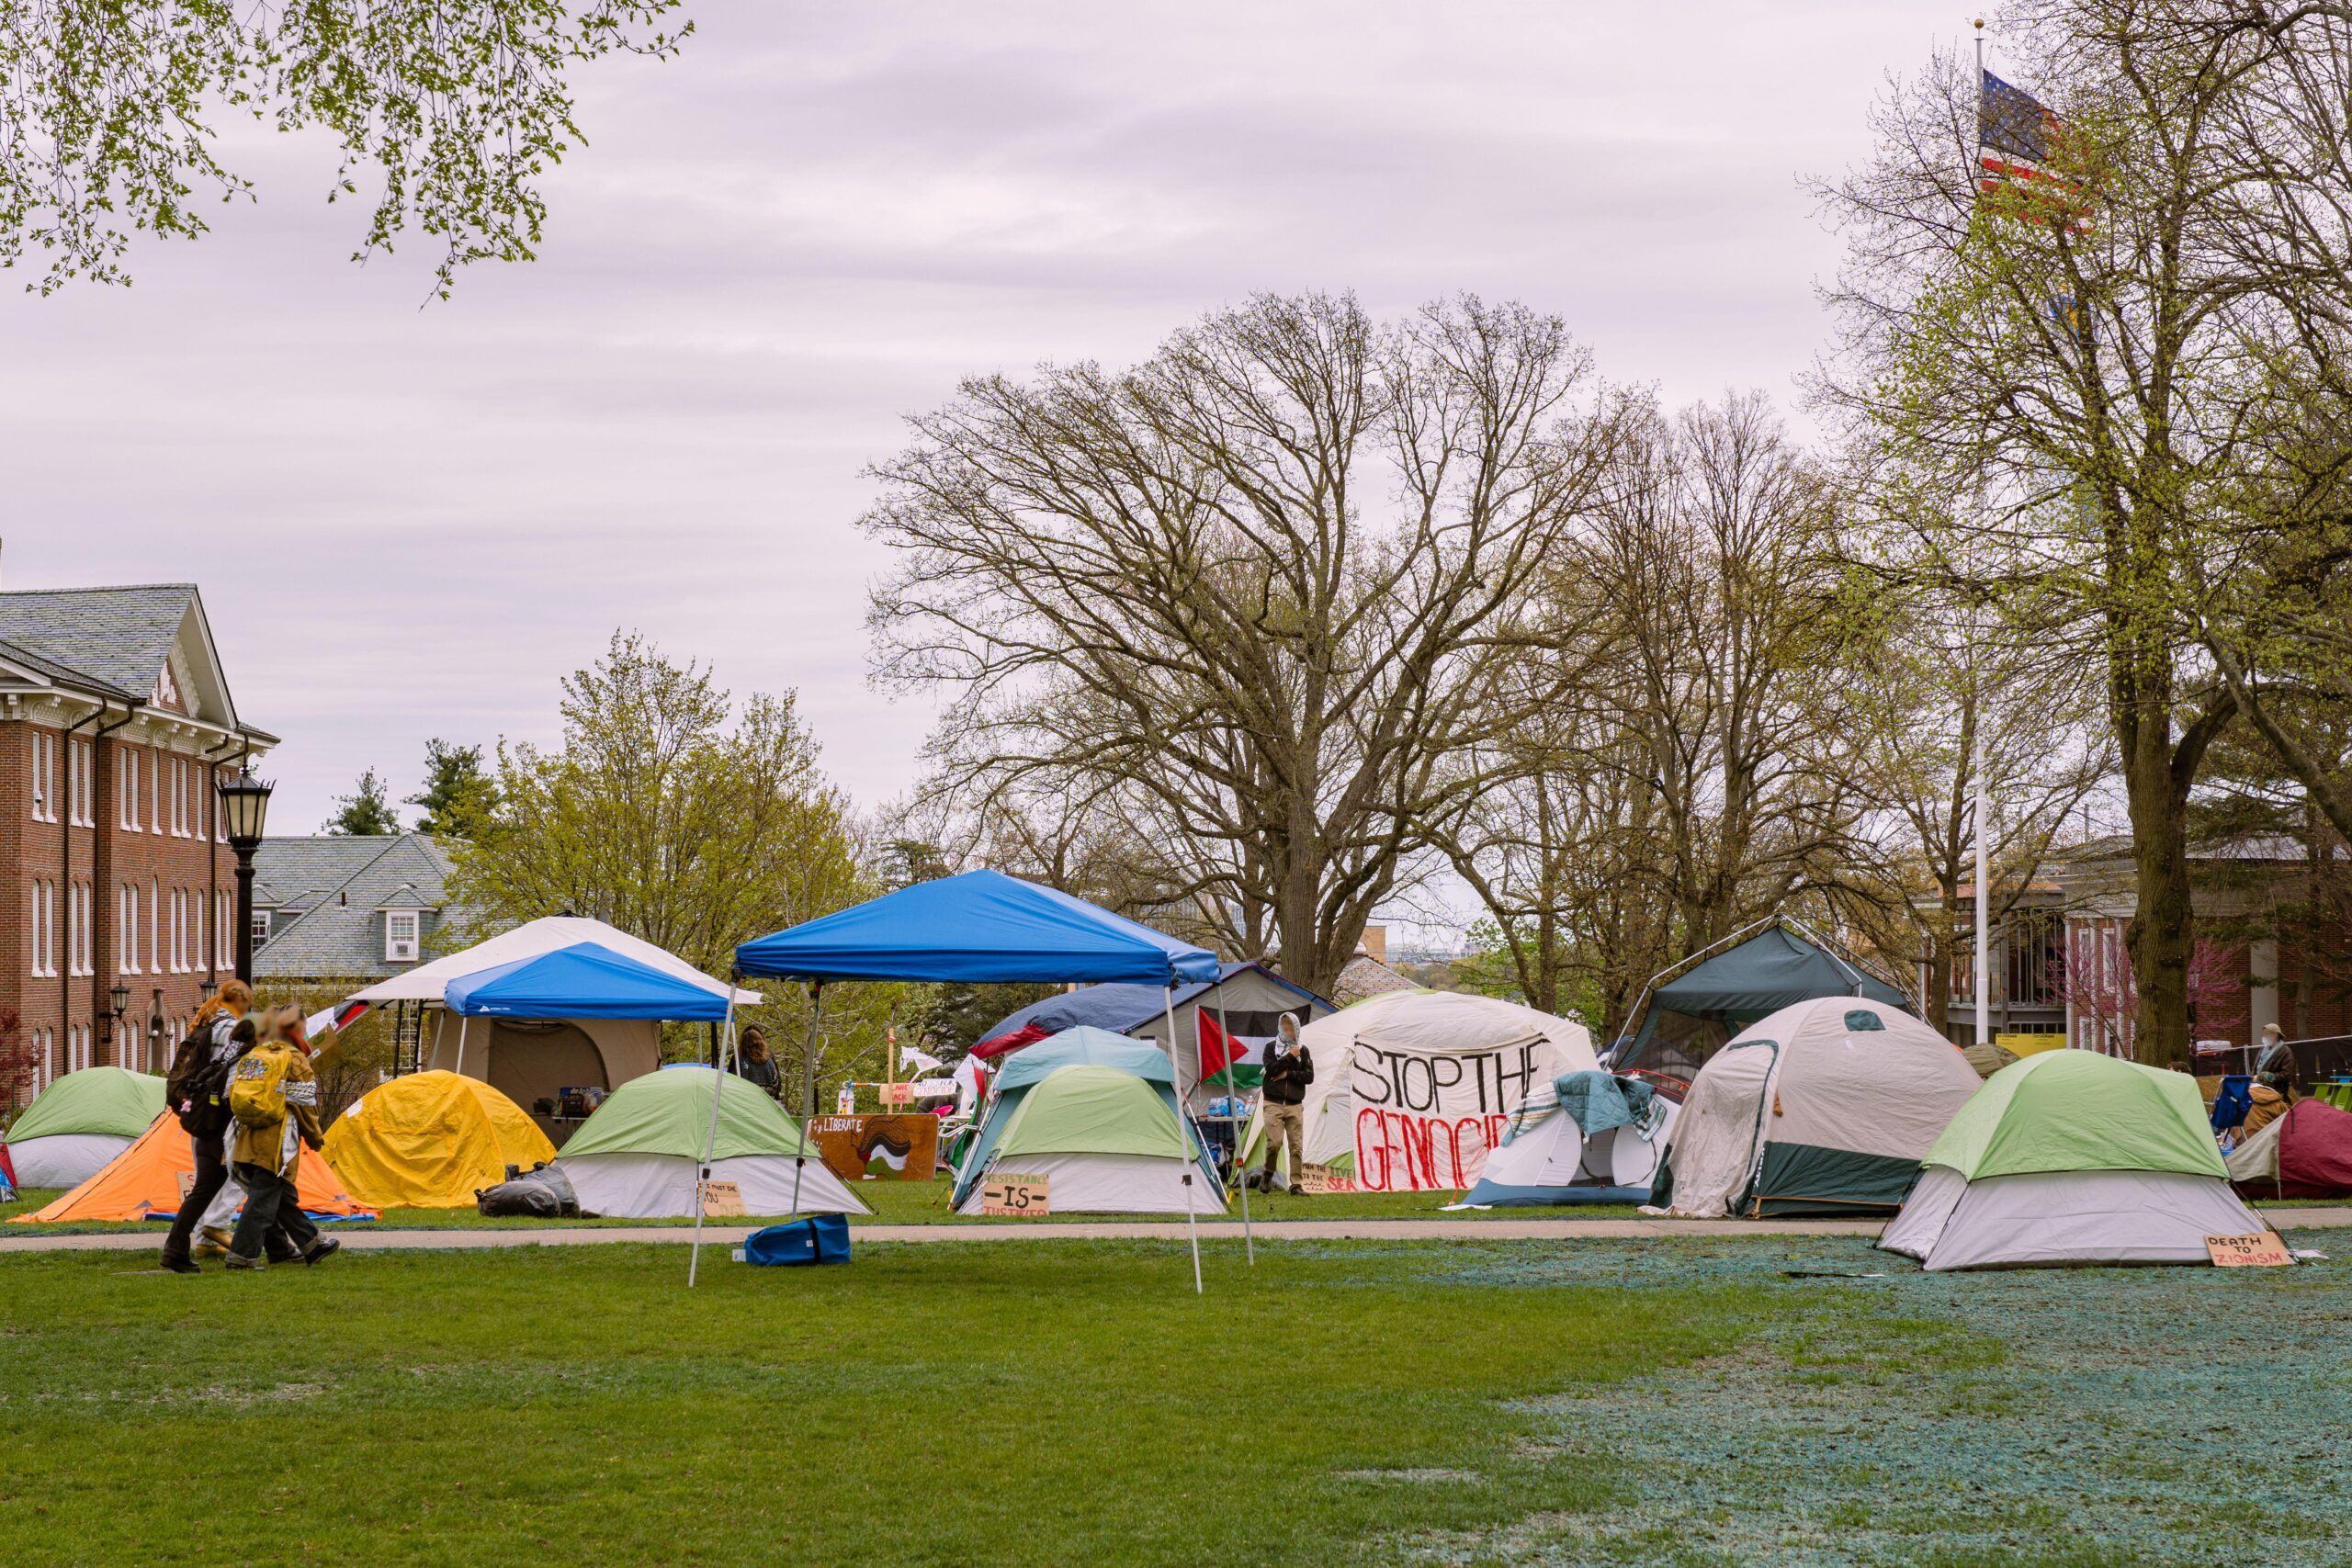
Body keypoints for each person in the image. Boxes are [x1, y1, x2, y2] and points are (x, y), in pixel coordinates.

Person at [224, 1006, 339, 1271]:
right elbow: (305, 1106)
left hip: (247, 1138)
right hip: (275, 1145)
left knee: (282, 1198)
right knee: (262, 1203)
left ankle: (312, 1244)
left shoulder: (258, 1054)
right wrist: (315, 1138)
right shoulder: (295, 1059)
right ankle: (240, 1257)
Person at [158, 981, 253, 1273]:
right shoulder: (228, 1029)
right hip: (219, 1117)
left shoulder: (205, 1024)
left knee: (206, 1187)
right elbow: (231, 1072)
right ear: (240, 1003)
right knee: (254, 1179)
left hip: (201, 1114)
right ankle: (276, 1244)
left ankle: (179, 1247)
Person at [1257, 1014, 1314, 1192]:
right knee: (1274, 1143)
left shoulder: (1303, 1051)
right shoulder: (1271, 1048)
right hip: (1273, 1102)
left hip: (1295, 1104)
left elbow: (1309, 1077)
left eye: (1291, 1029)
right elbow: (1272, 1070)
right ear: (1280, 1028)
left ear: (1296, 1029)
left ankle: (1296, 1184)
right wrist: (1289, 1056)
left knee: (1296, 1146)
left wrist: (1288, 1074)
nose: (1288, 1032)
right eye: (1285, 1028)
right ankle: (1268, 1174)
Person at [733, 1026, 783, 1100]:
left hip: (746, 1103)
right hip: (766, 1103)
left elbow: (732, 1083)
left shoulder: (739, 1061)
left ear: (743, 1043)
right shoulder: (769, 1061)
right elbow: (776, 1084)